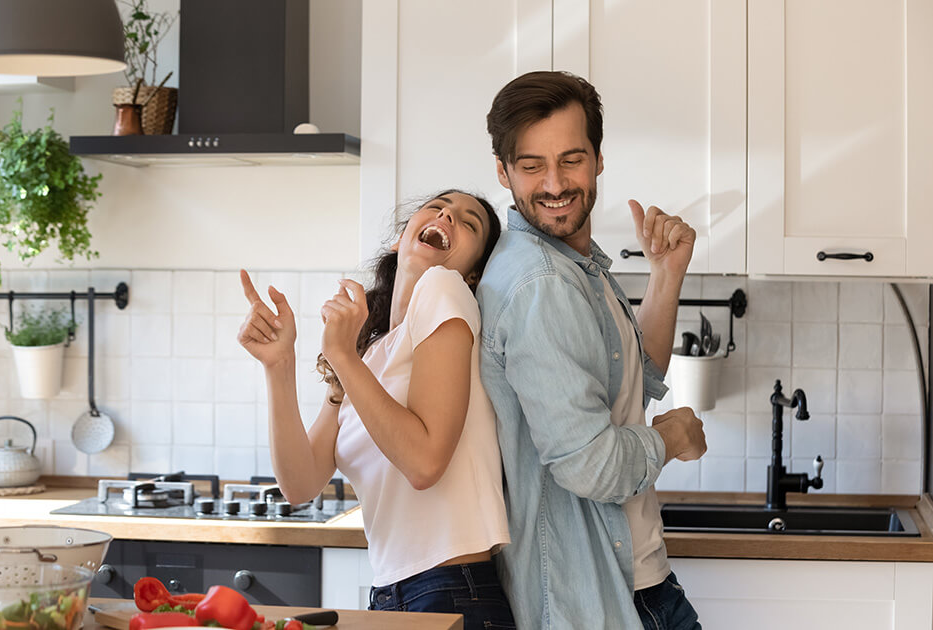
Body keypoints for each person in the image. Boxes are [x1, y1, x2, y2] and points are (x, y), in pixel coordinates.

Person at [477, 71, 707, 629]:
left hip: (634, 580)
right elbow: (589, 465)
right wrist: (670, 438)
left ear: (599, 158)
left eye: (571, 159)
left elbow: (634, 376)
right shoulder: (542, 284)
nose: (554, 183)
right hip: (600, 595)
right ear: (504, 172)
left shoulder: (575, 266)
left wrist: (666, 276)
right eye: (532, 166)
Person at [237, 190, 515, 630]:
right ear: (398, 240)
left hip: (451, 589)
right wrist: (280, 364)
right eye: (439, 206)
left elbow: (424, 463)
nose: (447, 214)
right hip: (393, 590)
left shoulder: (445, 289)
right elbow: (300, 482)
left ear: (475, 274)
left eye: (469, 222)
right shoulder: (370, 351)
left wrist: (341, 355)